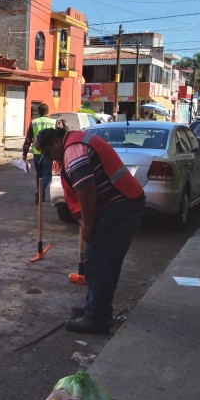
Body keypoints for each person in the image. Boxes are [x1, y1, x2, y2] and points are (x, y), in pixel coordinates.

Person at [37, 127, 145, 335]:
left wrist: (87, 223)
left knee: (99, 262)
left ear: (56, 142)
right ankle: (94, 307)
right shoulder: (76, 142)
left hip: (119, 207)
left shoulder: (73, 150)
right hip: (122, 204)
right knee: (102, 261)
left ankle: (96, 318)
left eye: (50, 153)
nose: (52, 159)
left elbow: (86, 188)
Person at [22, 104, 57, 204]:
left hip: (37, 152)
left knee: (39, 174)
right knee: (47, 174)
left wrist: (24, 153)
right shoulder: (53, 122)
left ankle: (40, 196)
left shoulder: (34, 122)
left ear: (38, 112)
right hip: (49, 152)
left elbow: (28, 139)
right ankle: (40, 192)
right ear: (47, 111)